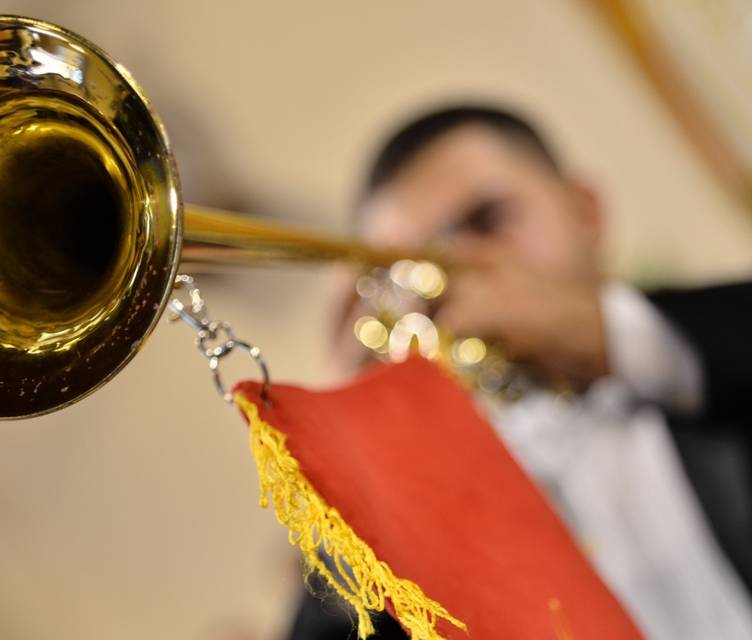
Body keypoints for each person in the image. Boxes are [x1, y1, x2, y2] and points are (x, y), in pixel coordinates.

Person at [287, 106, 752, 639]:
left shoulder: (716, 342)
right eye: (411, 265)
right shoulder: (438, 489)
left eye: (487, 220)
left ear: (586, 211)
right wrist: (355, 466)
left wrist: (598, 332)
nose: (453, 274)